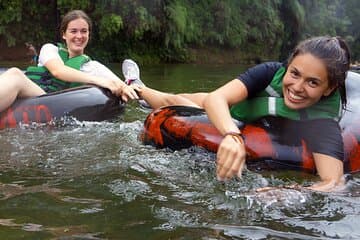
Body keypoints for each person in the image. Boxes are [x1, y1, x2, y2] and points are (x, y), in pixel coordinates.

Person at [122, 36, 351, 192]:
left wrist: (286, 192)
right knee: (176, 100)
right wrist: (232, 135)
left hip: (252, 122)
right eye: (295, 73)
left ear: (329, 88)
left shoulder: (323, 124)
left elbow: (333, 182)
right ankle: (137, 86)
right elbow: (216, 98)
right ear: (288, 67)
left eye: (312, 82)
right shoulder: (271, 72)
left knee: (179, 99)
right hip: (233, 112)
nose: (298, 87)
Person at [0, 10, 140, 112]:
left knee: (15, 75)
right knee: (15, 74)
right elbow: (58, 71)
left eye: (84, 31)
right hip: (33, 93)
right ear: (64, 34)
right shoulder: (49, 49)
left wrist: (129, 87)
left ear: (88, 34)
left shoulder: (95, 67)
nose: (79, 36)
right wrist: (99, 80)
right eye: (73, 31)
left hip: (51, 104)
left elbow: (123, 88)